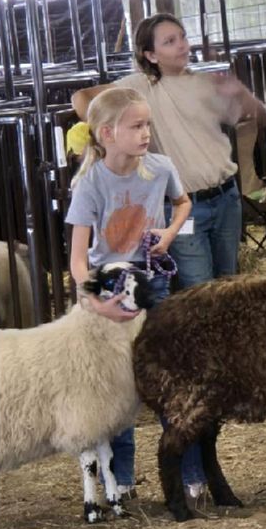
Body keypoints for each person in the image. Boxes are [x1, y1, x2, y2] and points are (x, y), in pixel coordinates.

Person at [72, 13, 266, 501]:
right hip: (156, 243)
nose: (182, 45)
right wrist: (110, 126)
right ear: (149, 53)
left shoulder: (203, 86)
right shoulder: (141, 89)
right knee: (186, 326)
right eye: (170, 40)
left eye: (182, 37)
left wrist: (241, 97)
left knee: (215, 311)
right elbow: (85, 102)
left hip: (216, 202)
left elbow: (257, 118)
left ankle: (195, 459)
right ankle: (149, 475)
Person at [66, 87, 192, 500]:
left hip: (152, 280)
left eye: (147, 125)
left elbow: (184, 202)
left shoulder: (159, 168)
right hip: (110, 286)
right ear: (106, 133)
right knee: (117, 387)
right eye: (136, 126)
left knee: (171, 378)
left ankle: (189, 476)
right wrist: (94, 299)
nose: (145, 134)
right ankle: (120, 481)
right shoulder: (89, 184)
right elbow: (79, 257)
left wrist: (169, 234)